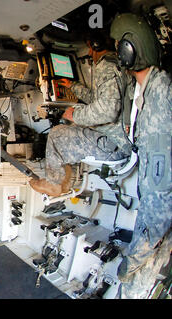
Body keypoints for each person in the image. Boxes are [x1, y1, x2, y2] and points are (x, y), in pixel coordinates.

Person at [110, 13, 171, 299]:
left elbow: (160, 199)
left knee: (133, 289)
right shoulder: (147, 91)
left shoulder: (160, 98)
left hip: (155, 227)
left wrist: (130, 262)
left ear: (128, 51)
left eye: (118, 46)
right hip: (155, 222)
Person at [29, 32, 131, 197]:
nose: (90, 53)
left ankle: (54, 184)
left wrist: (75, 114)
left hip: (113, 145)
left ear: (96, 46)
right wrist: (72, 86)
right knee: (70, 129)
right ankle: (63, 183)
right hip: (119, 140)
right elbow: (98, 99)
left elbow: (108, 110)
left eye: (90, 48)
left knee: (56, 134)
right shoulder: (117, 65)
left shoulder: (107, 66)